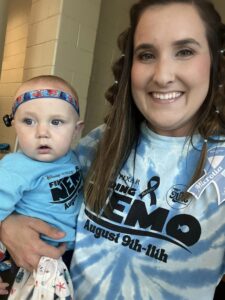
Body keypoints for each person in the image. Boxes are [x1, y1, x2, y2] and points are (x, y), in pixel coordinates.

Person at [1, 0, 225, 299]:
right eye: (146, 54)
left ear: (215, 60)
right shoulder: (98, 143)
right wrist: (8, 225)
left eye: (184, 51)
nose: (162, 75)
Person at [0, 75, 83, 299]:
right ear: (14, 125)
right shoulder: (14, 168)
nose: (42, 132)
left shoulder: (73, 157)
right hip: (34, 259)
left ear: (76, 130)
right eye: (29, 121)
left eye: (56, 122)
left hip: (71, 255)